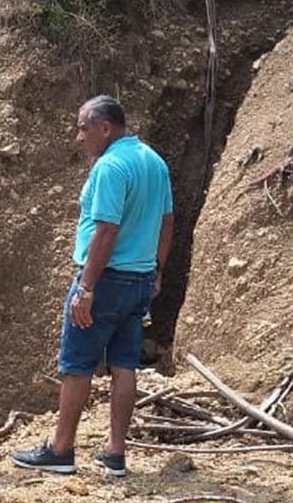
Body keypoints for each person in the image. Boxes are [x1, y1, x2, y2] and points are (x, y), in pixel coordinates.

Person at [13, 95, 173, 477]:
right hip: (139, 280)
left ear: (105, 128)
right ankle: (115, 453)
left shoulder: (111, 166)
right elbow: (167, 220)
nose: (79, 137)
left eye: (83, 128)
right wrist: (157, 270)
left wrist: (86, 288)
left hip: (105, 281)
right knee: (124, 365)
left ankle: (61, 450)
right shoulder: (154, 161)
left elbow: (106, 230)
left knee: (77, 364)